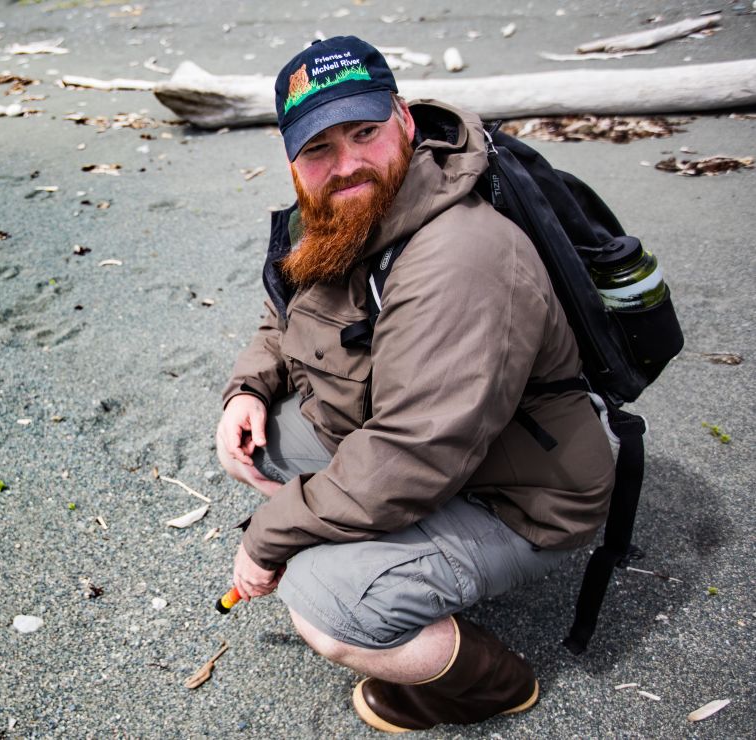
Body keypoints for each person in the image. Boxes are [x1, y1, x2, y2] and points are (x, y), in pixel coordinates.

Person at [215, 35, 616, 732]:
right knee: (265, 439)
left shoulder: (459, 256)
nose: (346, 165)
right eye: (319, 149)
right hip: (440, 445)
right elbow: (289, 313)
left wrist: (268, 541)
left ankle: (491, 683)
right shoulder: (352, 210)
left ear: (404, 119)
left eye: (364, 133)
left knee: (322, 605)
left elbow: (409, 456)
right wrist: (247, 390)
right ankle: (380, 548)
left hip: (523, 493)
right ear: (292, 161)